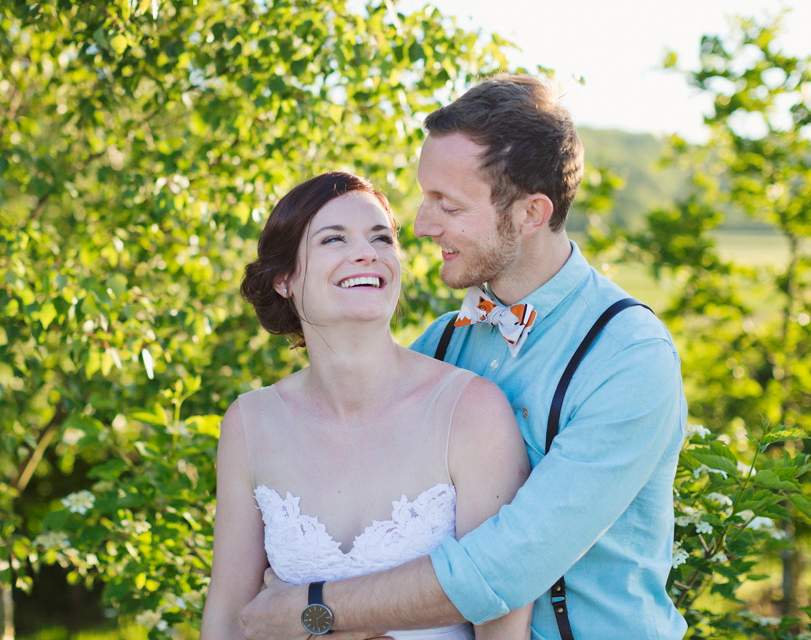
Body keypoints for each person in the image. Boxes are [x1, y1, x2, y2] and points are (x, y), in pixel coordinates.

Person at [238, 75, 688, 639]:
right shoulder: (441, 343)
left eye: (447, 205)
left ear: (530, 213)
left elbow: (506, 567)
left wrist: (313, 610)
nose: (422, 227)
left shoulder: (628, 357)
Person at [199, 171, 533, 640]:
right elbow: (228, 619)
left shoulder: (471, 412)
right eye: (334, 239)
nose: (367, 253)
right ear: (284, 280)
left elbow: (500, 621)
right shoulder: (251, 424)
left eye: (381, 238)